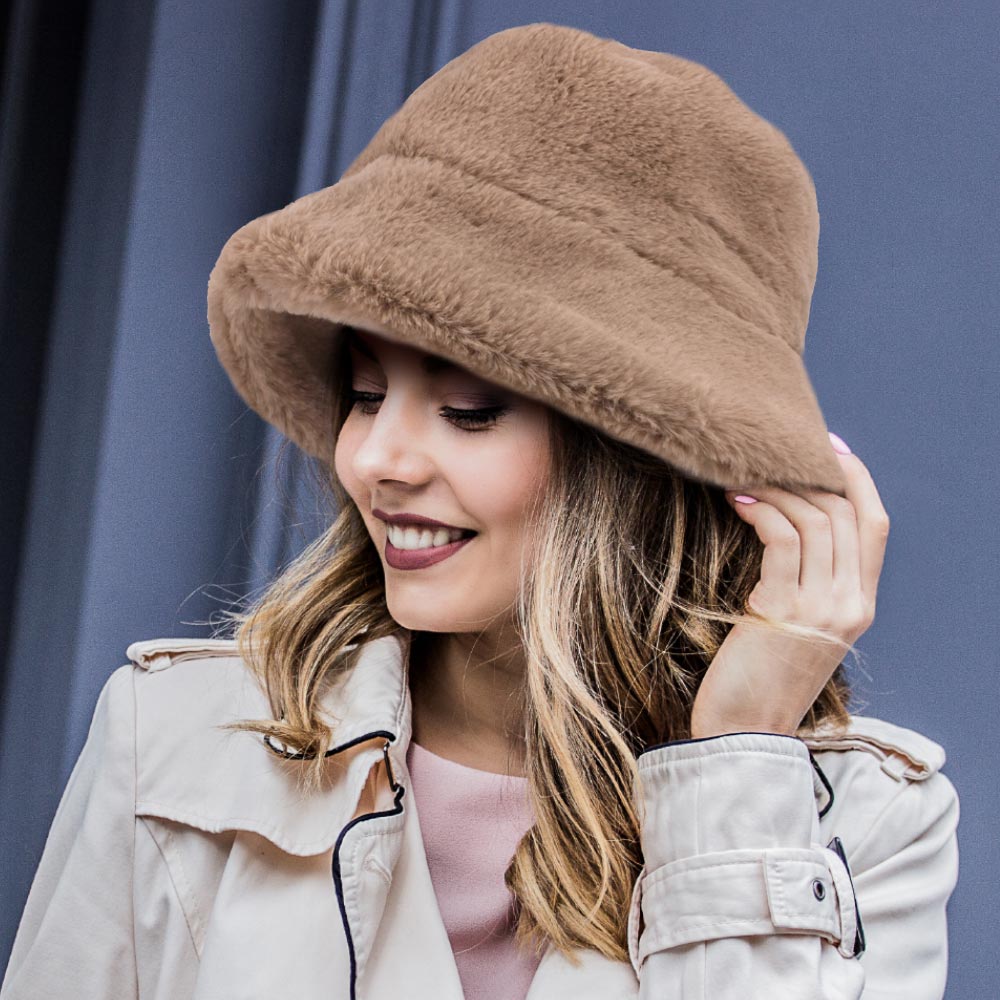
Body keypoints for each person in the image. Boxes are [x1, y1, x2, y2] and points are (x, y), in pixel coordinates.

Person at [2, 22, 958, 1000]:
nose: (374, 459)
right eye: (365, 394)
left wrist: (734, 760)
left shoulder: (868, 826)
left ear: (639, 461)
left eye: (468, 410)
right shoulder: (173, 741)